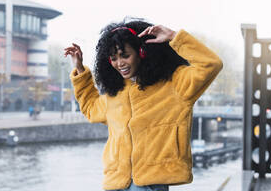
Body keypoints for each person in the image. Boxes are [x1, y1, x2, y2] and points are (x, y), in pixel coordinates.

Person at [64, 19, 223, 191]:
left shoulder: (175, 84)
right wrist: (80, 70)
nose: (120, 63)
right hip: (115, 182)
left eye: (125, 55)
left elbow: (211, 64)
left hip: (149, 184)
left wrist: (173, 37)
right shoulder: (115, 93)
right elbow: (91, 108)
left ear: (142, 52)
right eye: (114, 58)